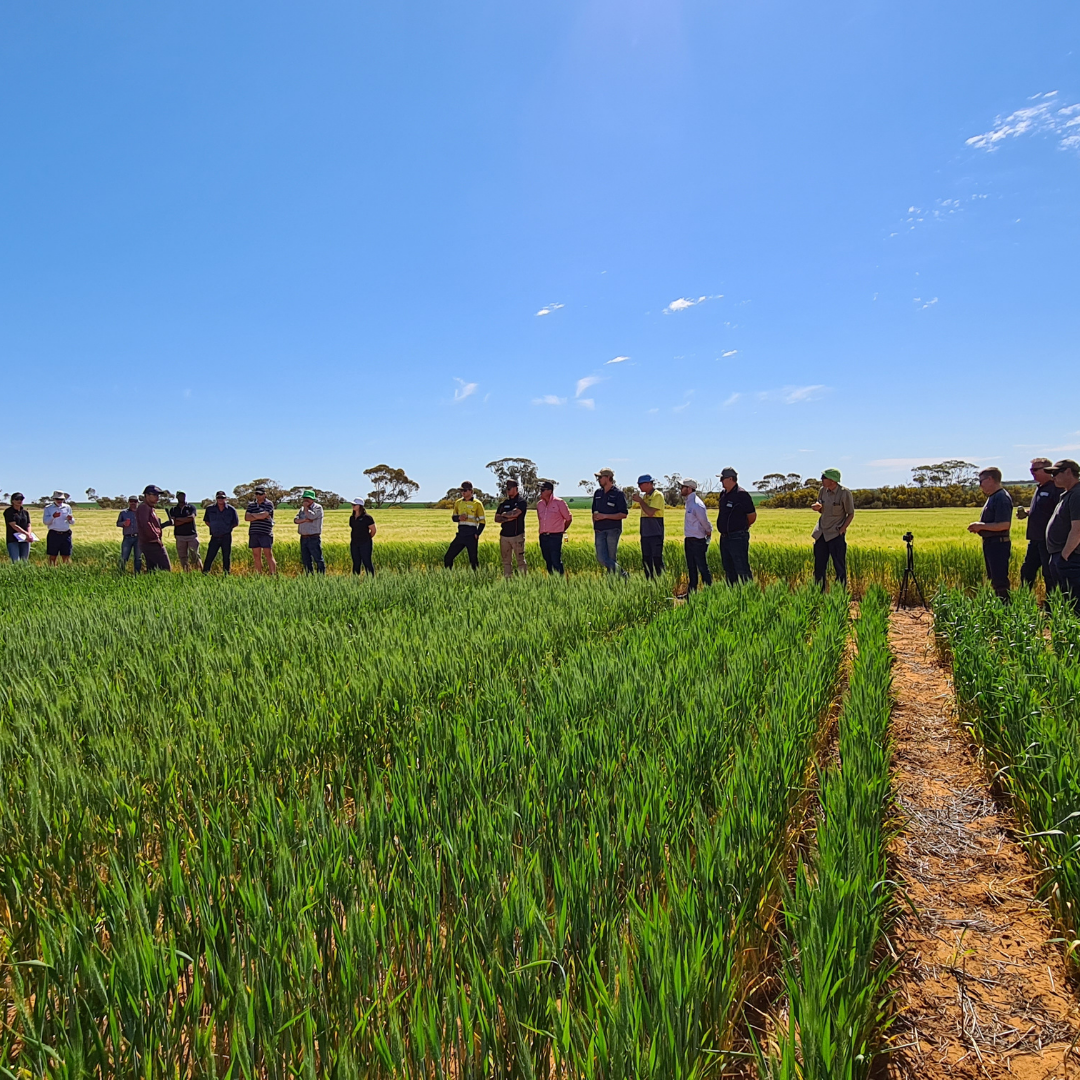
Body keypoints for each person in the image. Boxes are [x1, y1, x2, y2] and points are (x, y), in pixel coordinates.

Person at [967, 466, 1012, 601]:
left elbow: (1004, 524)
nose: (980, 485)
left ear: (990, 479)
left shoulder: (1001, 498)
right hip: (992, 544)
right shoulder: (994, 497)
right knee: (994, 579)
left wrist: (981, 526)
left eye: (981, 481)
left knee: (999, 580)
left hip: (998, 544)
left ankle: (1005, 608)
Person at [1018, 457, 1060, 591]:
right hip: (1035, 539)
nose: (1032, 472)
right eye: (1031, 469)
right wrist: (1028, 512)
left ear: (1048, 470)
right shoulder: (1039, 488)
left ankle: (1050, 607)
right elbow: (1043, 509)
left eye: (1035, 469)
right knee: (1027, 571)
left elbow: (1059, 513)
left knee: (1049, 574)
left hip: (1048, 540)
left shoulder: (1056, 488)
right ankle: (1024, 602)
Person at [1045, 459, 1080, 613]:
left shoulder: (1077, 495)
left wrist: (1065, 554)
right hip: (1062, 556)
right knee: (1068, 600)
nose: (1053, 477)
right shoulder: (1069, 494)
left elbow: (1078, 529)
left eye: (1055, 473)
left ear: (1068, 471)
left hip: (1071, 557)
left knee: (1075, 601)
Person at [812, 469, 855, 590]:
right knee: (819, 567)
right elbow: (821, 507)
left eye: (823, 477)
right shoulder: (822, 491)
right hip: (821, 533)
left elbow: (850, 514)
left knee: (839, 567)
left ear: (832, 480)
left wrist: (842, 529)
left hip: (835, 535)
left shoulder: (844, 493)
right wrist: (818, 507)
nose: (821, 480)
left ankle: (840, 595)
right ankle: (818, 594)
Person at [715, 467, 756, 584]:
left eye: (722, 478)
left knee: (741, 567)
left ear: (730, 479)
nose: (721, 481)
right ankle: (733, 595)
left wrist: (742, 527)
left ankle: (748, 594)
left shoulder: (742, 495)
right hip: (724, 537)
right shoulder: (723, 494)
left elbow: (752, 516)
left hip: (737, 537)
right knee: (728, 568)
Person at [591, 468, 628, 575]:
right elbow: (594, 512)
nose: (598, 480)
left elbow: (623, 514)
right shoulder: (598, 493)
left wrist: (605, 516)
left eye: (600, 477)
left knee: (611, 558)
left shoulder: (618, 494)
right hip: (599, 530)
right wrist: (595, 526)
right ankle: (623, 574)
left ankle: (614, 581)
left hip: (613, 530)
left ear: (608, 478)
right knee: (601, 558)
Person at [444, 481, 485, 570]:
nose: (463, 492)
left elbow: (482, 521)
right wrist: (459, 518)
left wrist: (477, 534)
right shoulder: (458, 503)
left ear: (471, 491)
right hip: (461, 534)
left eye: (465, 490)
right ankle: (447, 576)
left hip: (471, 535)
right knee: (448, 557)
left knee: (473, 560)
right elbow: (454, 518)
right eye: (461, 490)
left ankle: (477, 579)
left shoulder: (477, 504)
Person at [631, 475, 666, 579]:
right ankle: (649, 581)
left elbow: (650, 512)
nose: (639, 487)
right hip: (646, 532)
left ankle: (660, 581)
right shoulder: (646, 496)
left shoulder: (657, 495)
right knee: (646, 559)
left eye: (640, 484)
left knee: (656, 559)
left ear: (648, 484)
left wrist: (641, 501)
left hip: (655, 532)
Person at [681, 478, 713, 591]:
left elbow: (704, 521)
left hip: (697, 541)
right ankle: (692, 592)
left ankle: (709, 591)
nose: (681, 489)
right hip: (689, 540)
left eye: (683, 487)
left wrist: (708, 532)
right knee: (691, 567)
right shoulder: (689, 502)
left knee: (702, 567)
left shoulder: (697, 504)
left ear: (689, 489)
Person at [536, 481, 572, 575]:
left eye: (543, 490)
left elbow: (568, 518)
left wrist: (562, 530)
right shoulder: (539, 505)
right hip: (543, 536)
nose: (541, 491)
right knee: (547, 560)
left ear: (550, 491)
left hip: (555, 536)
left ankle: (561, 580)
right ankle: (552, 580)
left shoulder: (559, 503)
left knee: (555, 560)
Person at [494, 478, 528, 578]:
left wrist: (504, 516)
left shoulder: (521, 502)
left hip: (517, 535)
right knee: (506, 561)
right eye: (507, 489)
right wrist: (509, 517)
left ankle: (524, 581)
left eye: (510, 488)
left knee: (520, 560)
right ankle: (508, 580)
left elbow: (516, 513)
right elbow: (496, 518)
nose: (507, 491)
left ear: (516, 488)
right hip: (504, 536)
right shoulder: (503, 504)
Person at [136, 485, 172, 571]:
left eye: (158, 495)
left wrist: (165, 524)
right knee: (165, 569)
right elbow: (146, 524)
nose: (157, 498)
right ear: (147, 495)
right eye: (155, 495)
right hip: (151, 543)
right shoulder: (144, 507)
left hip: (149, 542)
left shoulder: (149, 508)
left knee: (152, 569)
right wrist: (155, 538)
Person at [202, 491, 239, 574]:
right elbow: (206, 521)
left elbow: (235, 523)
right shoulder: (210, 509)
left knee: (226, 557)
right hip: (214, 536)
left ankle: (226, 574)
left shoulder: (231, 509)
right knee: (210, 556)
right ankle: (205, 574)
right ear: (216, 498)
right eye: (219, 497)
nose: (220, 499)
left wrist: (226, 529)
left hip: (226, 536)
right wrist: (214, 527)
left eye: (222, 497)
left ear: (225, 498)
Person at [167, 491, 202, 572]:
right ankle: (187, 572)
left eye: (183, 496)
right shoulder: (173, 509)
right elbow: (173, 523)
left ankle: (199, 572)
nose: (182, 498)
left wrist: (178, 519)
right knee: (183, 556)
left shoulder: (191, 507)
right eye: (180, 496)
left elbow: (191, 518)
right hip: (179, 536)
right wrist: (185, 520)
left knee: (195, 555)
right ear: (177, 497)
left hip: (191, 535)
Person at [246, 485, 277, 574]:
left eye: (260, 494)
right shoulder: (251, 505)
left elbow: (264, 515)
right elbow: (247, 518)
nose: (258, 496)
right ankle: (258, 575)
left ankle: (273, 575)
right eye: (257, 494)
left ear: (265, 494)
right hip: (254, 532)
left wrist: (254, 515)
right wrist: (260, 516)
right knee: (256, 556)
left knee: (268, 555)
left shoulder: (269, 504)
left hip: (265, 533)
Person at [294, 490, 326, 574]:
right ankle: (309, 576)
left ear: (312, 499)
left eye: (308, 498)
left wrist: (306, 509)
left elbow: (312, 516)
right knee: (306, 559)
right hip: (303, 537)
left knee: (318, 558)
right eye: (305, 498)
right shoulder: (301, 509)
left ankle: (321, 576)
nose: (306, 500)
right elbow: (296, 520)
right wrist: (305, 520)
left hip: (313, 537)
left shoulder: (318, 508)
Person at [43, 491, 74, 566]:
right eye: (57, 499)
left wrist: (70, 519)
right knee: (53, 555)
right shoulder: (48, 508)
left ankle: (66, 571)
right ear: (54, 499)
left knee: (66, 555)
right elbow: (45, 522)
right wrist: (53, 517)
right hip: (54, 534)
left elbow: (72, 522)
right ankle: (52, 570)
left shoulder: (67, 507)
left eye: (61, 499)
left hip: (66, 534)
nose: (59, 501)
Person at [349, 499, 376, 576]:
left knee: (367, 561)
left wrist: (367, 539)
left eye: (355, 505)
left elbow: (373, 530)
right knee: (356, 562)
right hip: (354, 543)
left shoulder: (367, 518)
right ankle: (355, 579)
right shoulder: (352, 518)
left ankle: (371, 579)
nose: (353, 506)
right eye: (352, 505)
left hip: (365, 543)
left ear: (360, 506)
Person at [4, 493, 33, 563]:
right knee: (16, 561)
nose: (19, 501)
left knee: (24, 561)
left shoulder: (25, 512)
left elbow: (28, 524)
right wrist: (27, 534)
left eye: (21, 499)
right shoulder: (8, 512)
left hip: (25, 539)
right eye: (17, 499)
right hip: (13, 539)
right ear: (12, 501)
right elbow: (13, 525)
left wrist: (28, 534)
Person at [116, 495, 141, 573]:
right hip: (127, 538)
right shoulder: (123, 513)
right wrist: (123, 523)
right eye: (131, 501)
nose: (133, 503)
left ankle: (137, 574)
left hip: (139, 538)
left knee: (138, 558)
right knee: (124, 557)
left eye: (135, 501)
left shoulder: (141, 513)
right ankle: (121, 572)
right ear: (129, 502)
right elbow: (118, 523)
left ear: (138, 502)